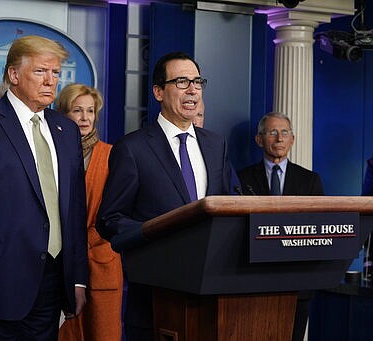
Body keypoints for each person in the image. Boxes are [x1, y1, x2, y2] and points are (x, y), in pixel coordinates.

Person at [0, 35, 88, 340]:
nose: (50, 81)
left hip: (51, 286)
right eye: (40, 71)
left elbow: (74, 212)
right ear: (13, 75)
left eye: (56, 73)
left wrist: (77, 279)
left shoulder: (67, 131)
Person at [96, 51, 232, 341]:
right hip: (156, 298)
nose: (193, 89)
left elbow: (230, 204)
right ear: (159, 91)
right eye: (181, 81)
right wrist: (155, 234)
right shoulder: (132, 148)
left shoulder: (216, 144)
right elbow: (109, 219)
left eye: (197, 81)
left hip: (212, 298)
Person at [237, 111, 324, 341]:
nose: (279, 139)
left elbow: (318, 229)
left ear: (292, 139)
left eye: (285, 132)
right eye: (272, 132)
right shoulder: (241, 179)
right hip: (254, 281)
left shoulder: (310, 180)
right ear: (259, 139)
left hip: (297, 282)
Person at [56, 84, 123, 341]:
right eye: (77, 110)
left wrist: (83, 241)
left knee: (103, 333)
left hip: (101, 258)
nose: (85, 118)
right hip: (61, 261)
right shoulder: (53, 153)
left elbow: (118, 210)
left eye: (90, 111)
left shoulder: (112, 155)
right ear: (63, 114)